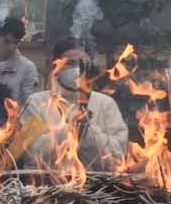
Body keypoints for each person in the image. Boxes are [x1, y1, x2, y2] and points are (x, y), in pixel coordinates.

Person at [21, 38, 129, 170]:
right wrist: (67, 132)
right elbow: (28, 153)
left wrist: (89, 134)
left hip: (97, 186)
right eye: (70, 63)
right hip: (48, 185)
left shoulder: (105, 104)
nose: (77, 70)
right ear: (56, 65)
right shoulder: (37, 102)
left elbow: (118, 155)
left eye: (82, 64)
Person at [0, 15, 39, 107]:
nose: (11, 47)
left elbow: (30, 106)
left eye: (16, 42)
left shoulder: (28, 68)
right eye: (7, 41)